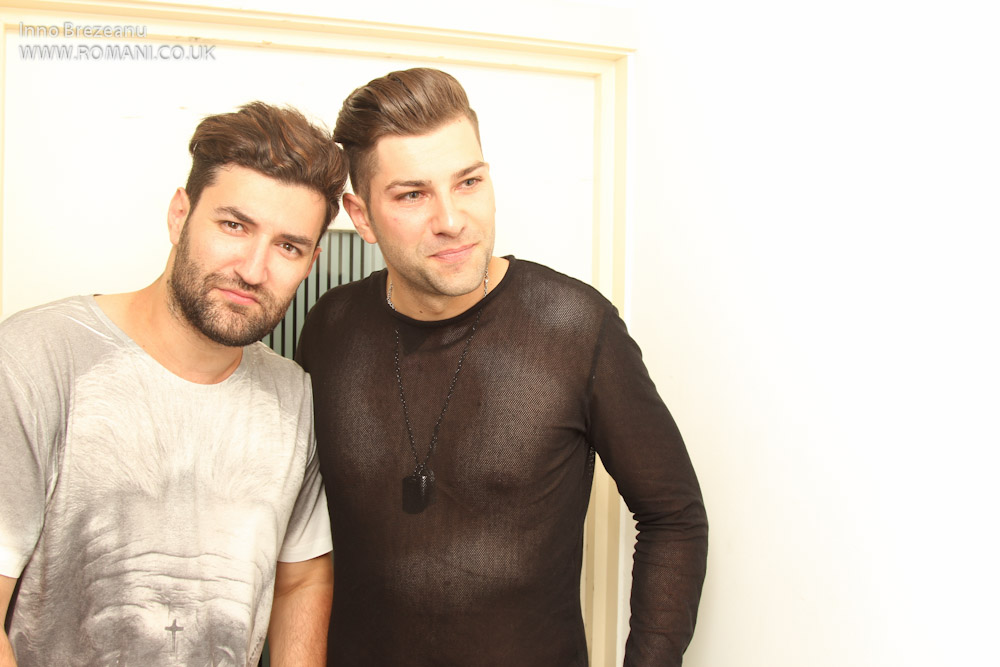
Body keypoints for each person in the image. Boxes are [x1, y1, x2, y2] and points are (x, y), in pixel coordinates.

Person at [295, 68, 708, 665]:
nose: (452, 219)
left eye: (468, 182)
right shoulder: (330, 328)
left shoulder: (574, 327)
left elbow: (674, 515)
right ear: (361, 217)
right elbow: (298, 534)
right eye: (412, 195)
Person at [0, 102, 346, 666]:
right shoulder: (33, 360)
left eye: (288, 246)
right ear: (179, 216)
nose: (253, 270)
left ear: (310, 261)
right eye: (234, 226)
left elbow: (301, 580)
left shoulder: (293, 397)